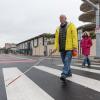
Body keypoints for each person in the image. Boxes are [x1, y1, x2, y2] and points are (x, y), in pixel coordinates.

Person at [51, 14, 78, 81]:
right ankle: (69, 73)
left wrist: (75, 47)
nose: (61, 19)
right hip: (62, 48)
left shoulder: (71, 25)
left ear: (65, 18)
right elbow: (56, 39)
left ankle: (64, 74)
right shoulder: (58, 28)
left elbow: (74, 36)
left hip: (69, 48)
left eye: (62, 18)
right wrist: (55, 47)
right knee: (64, 61)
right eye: (60, 18)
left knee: (66, 60)